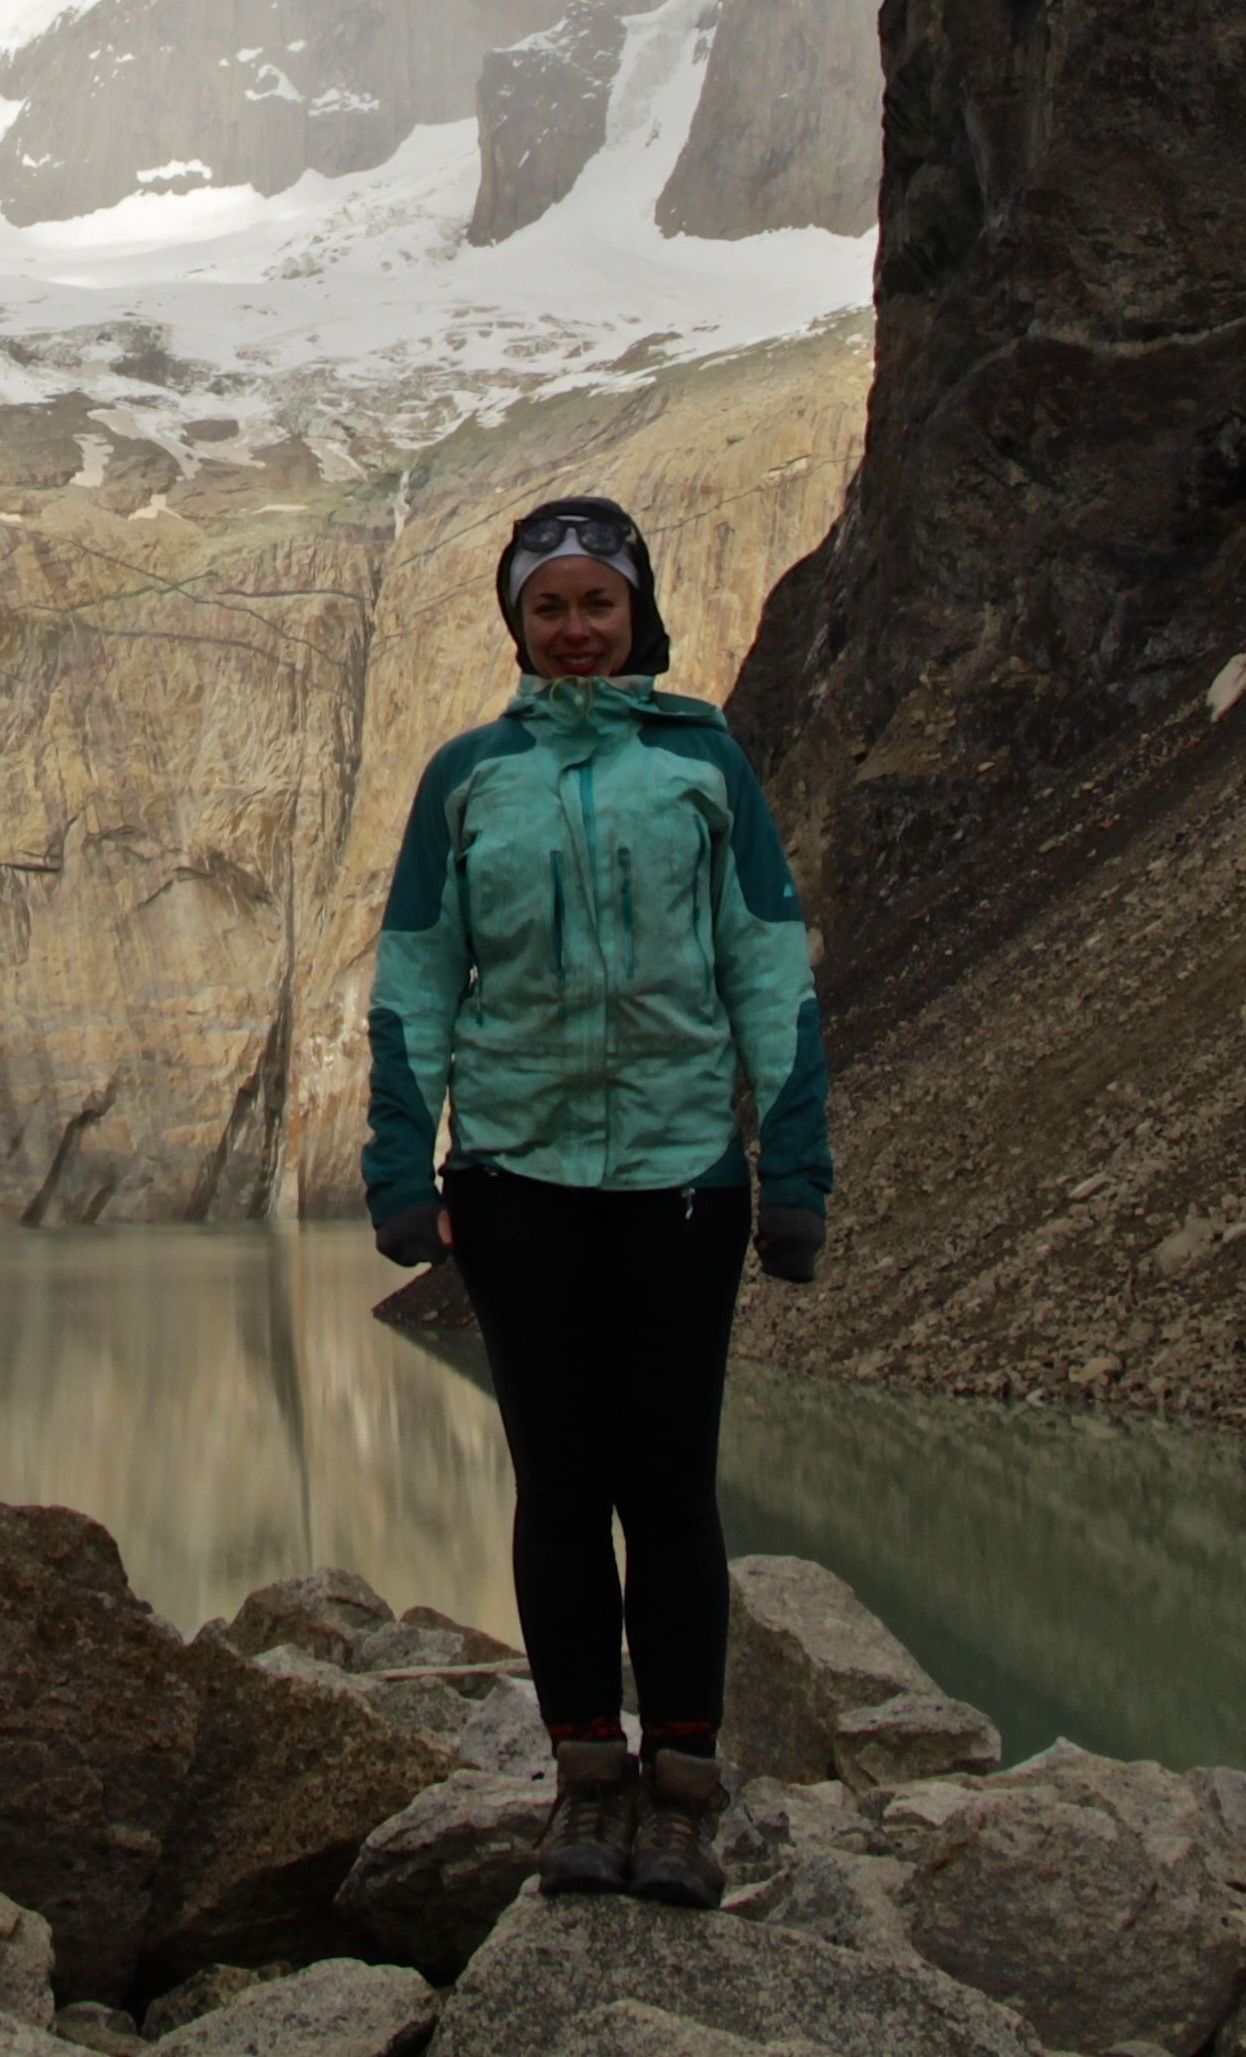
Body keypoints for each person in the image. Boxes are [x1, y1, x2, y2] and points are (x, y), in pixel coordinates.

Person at [363, 494, 829, 1912]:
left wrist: (792, 1163)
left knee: (672, 1488)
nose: (574, 630)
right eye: (549, 606)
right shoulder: (467, 780)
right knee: (561, 1489)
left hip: (684, 1179)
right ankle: (584, 1777)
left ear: (638, 615)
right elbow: (416, 984)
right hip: (515, 1182)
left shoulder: (703, 769)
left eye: (597, 604)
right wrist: (400, 1159)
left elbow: (768, 966)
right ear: (518, 622)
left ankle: (682, 1785)